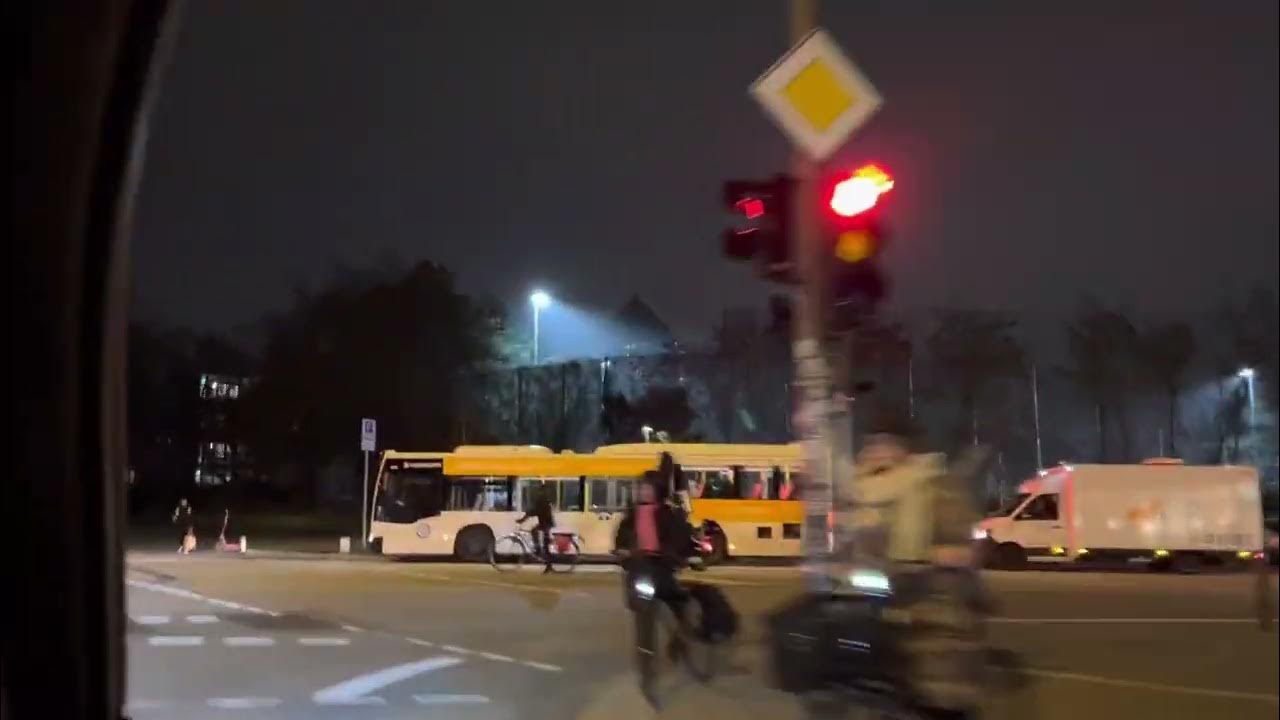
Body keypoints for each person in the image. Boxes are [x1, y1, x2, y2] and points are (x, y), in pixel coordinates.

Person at [834, 412, 989, 719]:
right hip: (890, 610)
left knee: (939, 695)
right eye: (870, 443)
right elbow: (852, 549)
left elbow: (965, 546)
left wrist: (941, 555)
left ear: (903, 447)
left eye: (882, 443)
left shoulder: (935, 485)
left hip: (937, 606)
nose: (874, 451)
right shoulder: (865, 492)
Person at [516, 485, 555, 573]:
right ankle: (545, 559)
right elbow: (534, 511)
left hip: (546, 524)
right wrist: (524, 518)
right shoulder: (545, 499)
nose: (539, 493)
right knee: (535, 532)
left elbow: (534, 511)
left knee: (544, 544)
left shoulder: (542, 500)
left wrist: (523, 519)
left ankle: (539, 551)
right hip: (545, 523)